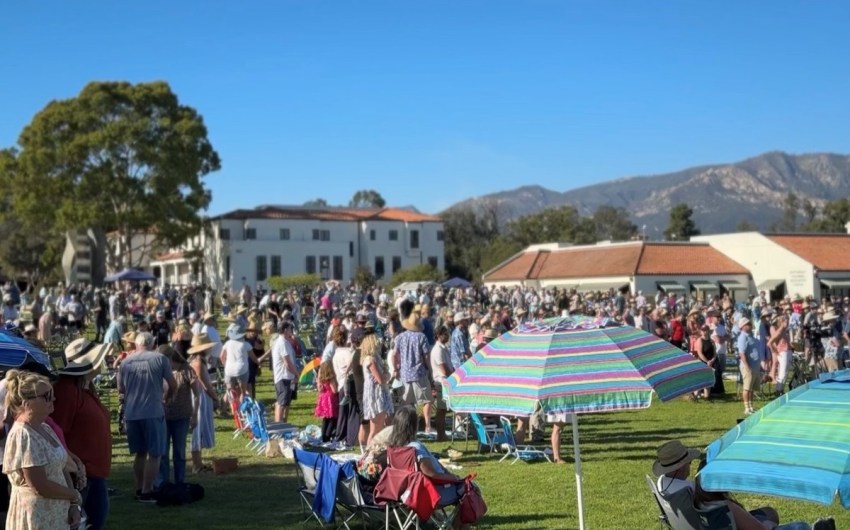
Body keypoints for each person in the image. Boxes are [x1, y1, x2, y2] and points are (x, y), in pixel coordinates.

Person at [3, 370, 82, 529]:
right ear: (27, 403)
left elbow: (61, 468)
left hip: (56, 515)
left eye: (52, 393)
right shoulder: (23, 434)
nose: (53, 398)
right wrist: (74, 495)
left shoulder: (45, 428)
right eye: (46, 396)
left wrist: (73, 505)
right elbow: (39, 485)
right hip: (37, 517)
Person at [50, 339, 115, 530]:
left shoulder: (85, 387)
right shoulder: (67, 390)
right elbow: (57, 434)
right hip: (79, 477)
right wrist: (73, 465)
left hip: (93, 475)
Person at [388, 406, 471, 530]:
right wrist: (453, 477)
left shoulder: (393, 449)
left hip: (405, 494)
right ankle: (458, 527)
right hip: (428, 494)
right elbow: (431, 474)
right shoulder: (415, 448)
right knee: (470, 490)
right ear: (413, 425)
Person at [118, 332, 176, 502]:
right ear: (153, 343)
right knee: (155, 453)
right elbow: (172, 384)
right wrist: (168, 397)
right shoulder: (160, 359)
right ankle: (147, 490)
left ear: (136, 345)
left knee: (140, 453)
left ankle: (138, 488)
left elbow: (121, 388)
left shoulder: (125, 361)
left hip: (132, 412)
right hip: (152, 410)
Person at [158, 345, 200, 487]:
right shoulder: (161, 371)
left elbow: (197, 394)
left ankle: (179, 480)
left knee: (179, 451)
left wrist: (194, 415)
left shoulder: (187, 370)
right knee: (163, 452)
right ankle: (164, 482)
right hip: (164, 416)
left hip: (181, 416)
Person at [186, 334, 217, 473]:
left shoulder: (199, 361)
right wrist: (216, 397)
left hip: (200, 396)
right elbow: (205, 385)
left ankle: (199, 463)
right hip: (199, 397)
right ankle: (196, 465)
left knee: (200, 429)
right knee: (197, 429)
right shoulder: (198, 363)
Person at [360, 326, 393, 445]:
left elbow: (387, 375)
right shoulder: (370, 360)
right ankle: (369, 454)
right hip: (375, 396)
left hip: (380, 393)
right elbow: (381, 379)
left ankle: (375, 451)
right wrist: (385, 376)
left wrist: (386, 376)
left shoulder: (376, 358)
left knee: (380, 428)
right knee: (375, 429)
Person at [221, 323, 259, 410]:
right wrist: (258, 362)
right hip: (242, 369)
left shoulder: (227, 343)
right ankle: (241, 410)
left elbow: (221, 356)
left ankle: (233, 411)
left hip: (229, 370)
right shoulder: (246, 344)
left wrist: (225, 364)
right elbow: (253, 358)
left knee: (231, 392)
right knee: (243, 392)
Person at [429, 325, 452, 441]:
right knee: (441, 410)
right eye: (445, 334)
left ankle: (442, 434)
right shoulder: (437, 350)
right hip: (441, 381)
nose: (447, 336)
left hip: (445, 381)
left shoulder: (443, 348)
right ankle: (440, 434)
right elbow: (443, 368)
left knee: (443, 410)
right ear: (438, 335)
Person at [737, 318, 763, 415]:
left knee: (751, 388)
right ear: (742, 327)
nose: (749, 325)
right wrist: (747, 366)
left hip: (755, 366)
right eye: (747, 324)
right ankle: (746, 408)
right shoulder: (743, 337)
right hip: (748, 366)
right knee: (747, 388)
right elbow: (742, 353)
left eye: (750, 323)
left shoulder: (751, 336)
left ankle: (751, 406)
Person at [314, 362, 339, 443]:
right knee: (332, 418)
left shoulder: (320, 378)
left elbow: (320, 389)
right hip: (331, 398)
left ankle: (323, 436)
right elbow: (334, 390)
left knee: (325, 419)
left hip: (323, 397)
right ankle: (328, 437)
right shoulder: (330, 378)